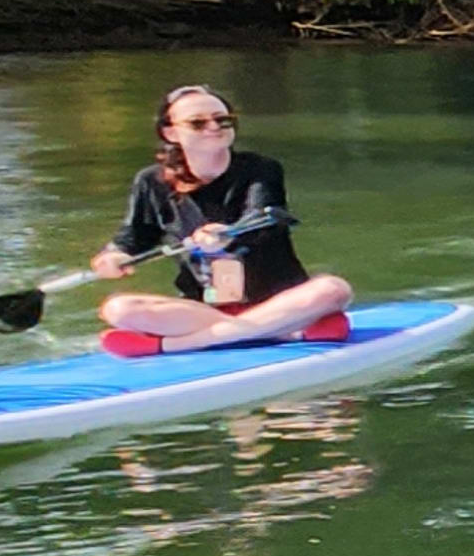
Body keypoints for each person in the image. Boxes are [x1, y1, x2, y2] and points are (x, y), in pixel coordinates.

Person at [89, 84, 355, 356]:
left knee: (333, 289)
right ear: (170, 132)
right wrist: (114, 255)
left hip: (279, 301)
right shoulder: (151, 182)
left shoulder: (261, 169)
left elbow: (262, 218)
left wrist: (227, 235)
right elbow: (134, 237)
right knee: (118, 309)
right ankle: (284, 333)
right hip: (203, 309)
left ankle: (176, 345)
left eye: (222, 119)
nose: (213, 127)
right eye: (197, 123)